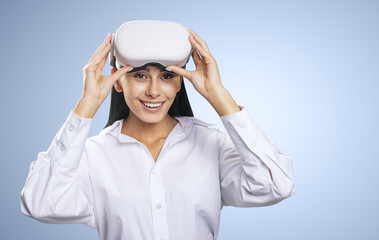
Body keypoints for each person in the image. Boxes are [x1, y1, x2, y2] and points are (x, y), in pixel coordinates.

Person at [20, 26, 295, 240]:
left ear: (179, 83)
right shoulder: (93, 156)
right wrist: (88, 103)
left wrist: (218, 95)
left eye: (166, 76)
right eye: (140, 75)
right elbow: (42, 203)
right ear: (117, 80)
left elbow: (275, 184)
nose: (153, 91)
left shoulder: (210, 144)